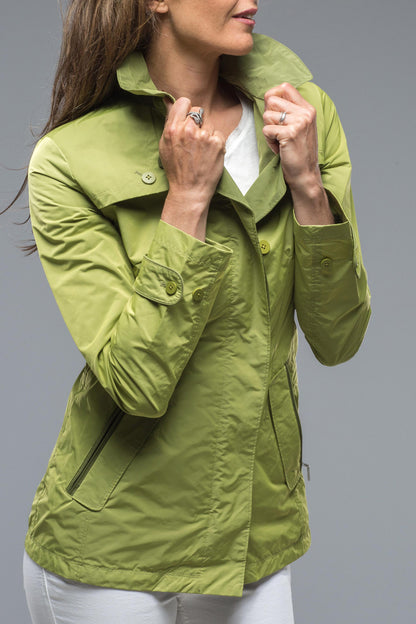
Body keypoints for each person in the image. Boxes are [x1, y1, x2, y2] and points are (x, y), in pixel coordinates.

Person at [18, 0, 371, 622]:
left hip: (253, 533)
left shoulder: (303, 118)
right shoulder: (69, 158)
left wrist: (309, 186)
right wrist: (185, 201)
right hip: (113, 548)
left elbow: (338, 337)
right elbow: (137, 381)